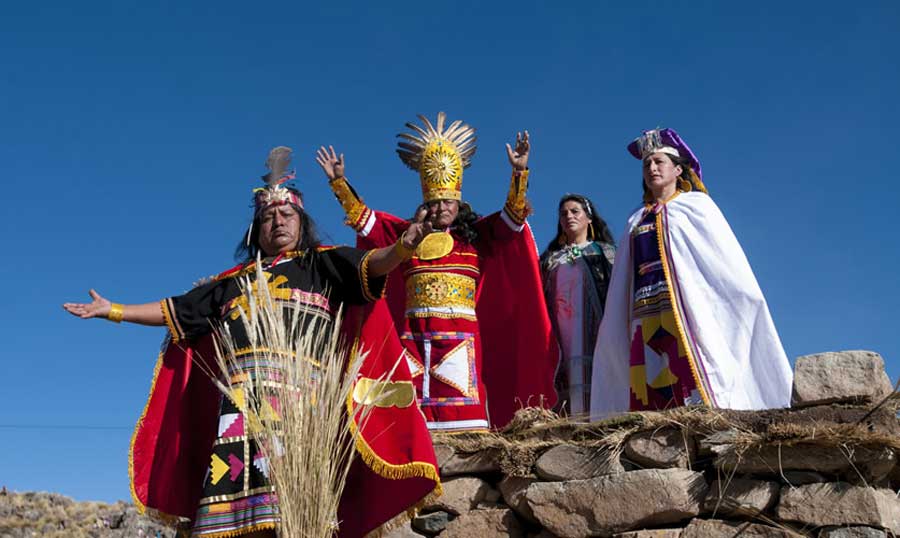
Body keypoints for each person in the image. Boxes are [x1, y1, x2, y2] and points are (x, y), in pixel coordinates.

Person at [63, 147, 441, 538]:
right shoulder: (232, 282)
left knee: (298, 506)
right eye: (268, 217)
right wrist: (114, 310)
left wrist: (403, 248)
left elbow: (374, 265)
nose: (278, 223)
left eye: (287, 215)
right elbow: (176, 310)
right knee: (234, 507)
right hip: (239, 408)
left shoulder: (324, 264)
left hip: (303, 404)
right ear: (257, 230)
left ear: (302, 222)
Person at [318, 112, 558, 432]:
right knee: (413, 422)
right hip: (413, 339)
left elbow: (512, 219)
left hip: (461, 341)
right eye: (436, 202)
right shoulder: (408, 236)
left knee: (466, 425)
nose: (442, 208)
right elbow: (368, 223)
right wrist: (339, 184)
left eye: (448, 201)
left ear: (458, 201)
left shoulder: (476, 239)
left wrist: (519, 172)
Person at [590, 129, 793, 417]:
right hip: (644, 307)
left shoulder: (697, 208)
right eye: (647, 165)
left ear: (677, 169)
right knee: (649, 367)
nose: (652, 168)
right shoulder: (635, 218)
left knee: (690, 361)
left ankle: (701, 418)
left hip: (687, 304)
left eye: (659, 162)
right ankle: (655, 424)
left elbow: (721, 264)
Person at [539, 194, 616, 416]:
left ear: (589, 218)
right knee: (561, 372)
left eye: (575, 211)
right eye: (563, 214)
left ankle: (599, 417)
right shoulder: (550, 259)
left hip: (595, 325)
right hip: (559, 330)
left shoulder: (606, 252)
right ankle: (564, 420)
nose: (569, 216)